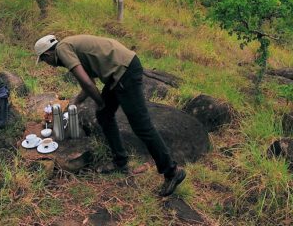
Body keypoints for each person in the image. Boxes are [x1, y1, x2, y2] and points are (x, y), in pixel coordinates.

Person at [35, 34, 186, 197]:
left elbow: (86, 82)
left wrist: (100, 101)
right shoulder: (69, 46)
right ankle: (120, 161)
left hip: (124, 71)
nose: (49, 65)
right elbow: (90, 81)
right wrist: (76, 101)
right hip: (119, 72)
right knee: (104, 115)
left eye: (44, 61)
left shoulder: (62, 49)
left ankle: (172, 171)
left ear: (48, 54)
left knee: (141, 125)